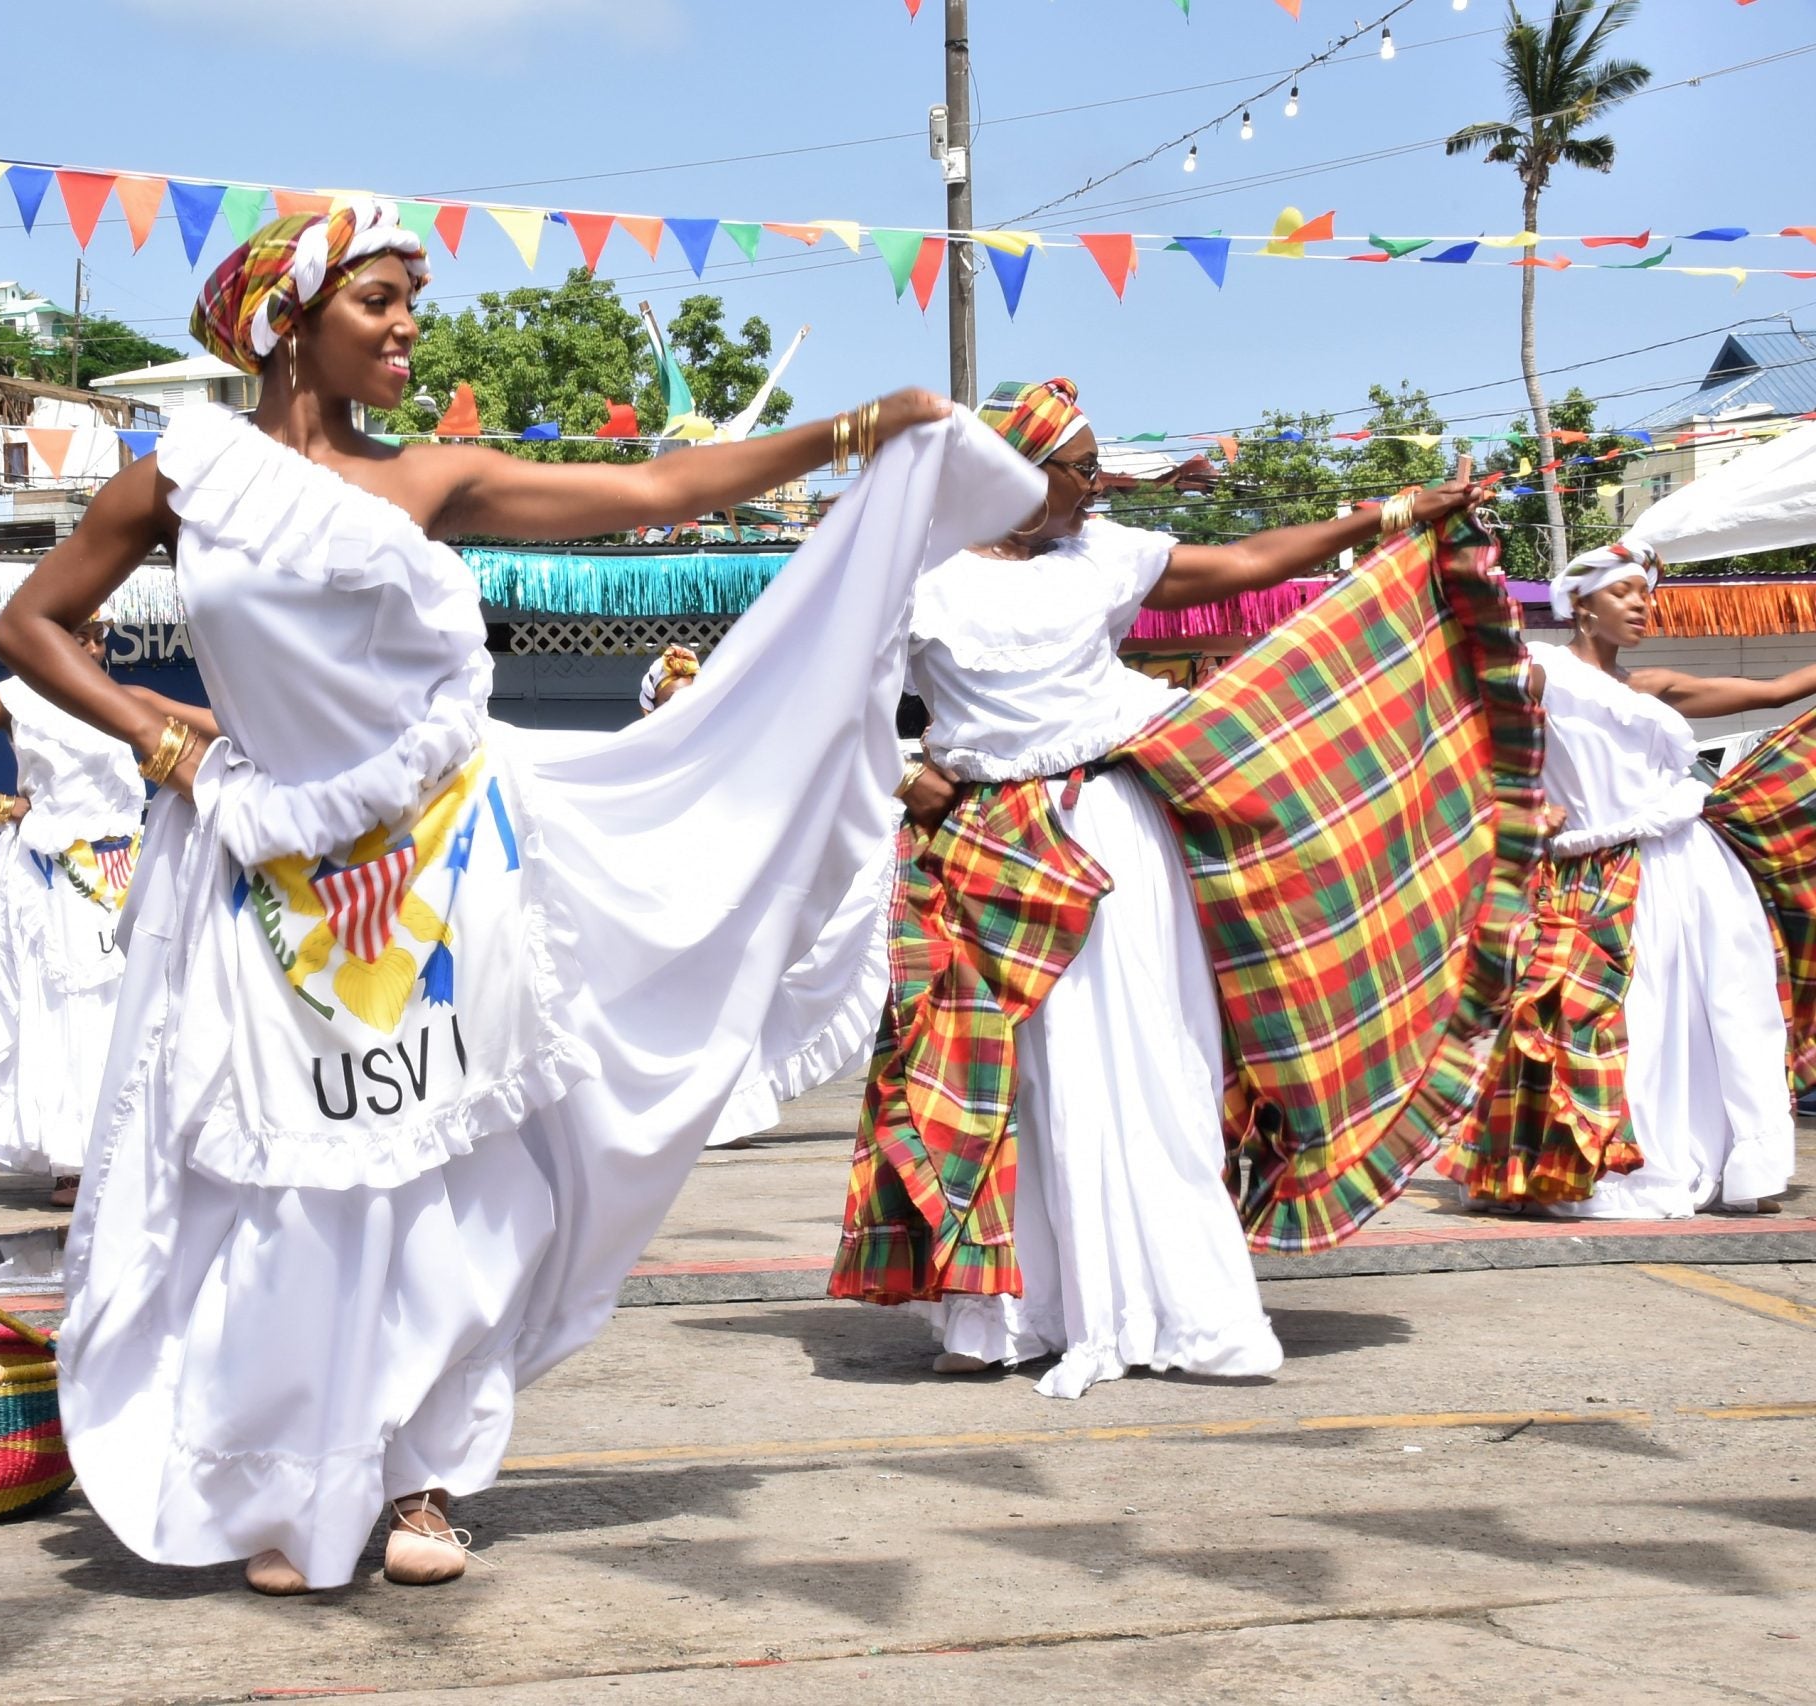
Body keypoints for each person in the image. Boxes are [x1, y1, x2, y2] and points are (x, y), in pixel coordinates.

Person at [0, 199, 1041, 1596]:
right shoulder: (181, 478)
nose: (409, 324)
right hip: (269, 873)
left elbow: (663, 491)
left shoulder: (427, 480)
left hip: (442, 864)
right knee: (283, 1188)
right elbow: (30, 624)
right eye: (378, 299)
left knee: (448, 1176)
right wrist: (165, 739)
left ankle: (423, 1475)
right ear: (288, 319)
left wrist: (846, 438)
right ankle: (298, 1489)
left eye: (409, 299)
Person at [861, 377, 1496, 1399]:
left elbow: (1242, 563)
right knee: (1008, 1083)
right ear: (1015, 480)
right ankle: (1004, 1317)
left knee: (1153, 1056)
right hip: (984, 843)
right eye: (1080, 467)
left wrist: (1396, 515)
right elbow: (833, 692)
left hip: (1114, 824)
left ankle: (1185, 1308)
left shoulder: (1104, 553)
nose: (1097, 482)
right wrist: (899, 766)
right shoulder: (913, 574)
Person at [1463, 544, 1810, 1218]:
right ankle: (1604, 1164)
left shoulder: (1651, 686)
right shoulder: (1539, 674)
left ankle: (1730, 1160)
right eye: (1623, 593)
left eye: (1645, 595)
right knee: (1619, 1018)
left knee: (1719, 1013)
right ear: (1581, 605)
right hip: (1593, 871)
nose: (1641, 606)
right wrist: (1519, 806)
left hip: (1692, 872)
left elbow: (1776, 692)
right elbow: (1462, 740)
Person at [0, 622, 161, 1208]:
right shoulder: (15, 697)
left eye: (102, 638)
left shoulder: (118, 698)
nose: (98, 649)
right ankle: (74, 1160)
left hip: (121, 865)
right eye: (84, 638)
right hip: (54, 869)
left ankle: (135, 1149)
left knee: (129, 1002)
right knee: (66, 1002)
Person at [638, 644, 890, 1154]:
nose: (685, 711)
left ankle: (727, 1109)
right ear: (652, 709)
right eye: (672, 702)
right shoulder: (641, 762)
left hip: (723, 901)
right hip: (672, 907)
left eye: (693, 699)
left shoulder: (729, 752)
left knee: (738, 999)